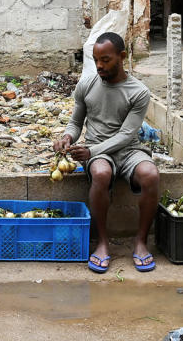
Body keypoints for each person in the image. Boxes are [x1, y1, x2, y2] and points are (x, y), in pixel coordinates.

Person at [52, 31, 159, 273]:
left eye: (106, 60)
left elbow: (127, 135)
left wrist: (90, 150)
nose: (99, 66)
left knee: (150, 174)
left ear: (122, 56)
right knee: (100, 173)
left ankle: (141, 241)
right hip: (99, 153)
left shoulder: (139, 92)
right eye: (96, 60)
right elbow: (76, 122)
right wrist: (67, 137)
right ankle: (102, 242)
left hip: (128, 150)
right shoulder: (87, 84)